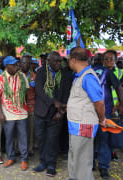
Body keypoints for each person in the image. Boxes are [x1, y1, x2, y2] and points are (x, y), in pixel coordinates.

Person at [67, 47, 107, 180]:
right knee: (74, 156)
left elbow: (99, 103)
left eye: (68, 60)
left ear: (73, 60)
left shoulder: (88, 77)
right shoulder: (79, 76)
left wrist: (102, 119)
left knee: (83, 160)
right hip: (76, 125)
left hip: (83, 125)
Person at [0, 56, 29, 171]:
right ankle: (11, 157)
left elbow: (27, 92)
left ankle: (24, 159)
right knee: (9, 137)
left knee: (23, 136)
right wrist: (0, 113)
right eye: (13, 65)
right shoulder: (0, 78)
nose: (16, 66)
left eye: (17, 64)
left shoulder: (22, 76)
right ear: (7, 66)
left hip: (22, 112)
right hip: (7, 113)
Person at [32, 51, 65, 177]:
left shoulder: (65, 74)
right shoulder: (40, 72)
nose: (58, 63)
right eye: (56, 61)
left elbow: (66, 93)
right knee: (41, 139)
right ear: (48, 61)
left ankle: (51, 164)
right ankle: (42, 162)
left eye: (59, 61)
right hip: (41, 112)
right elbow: (39, 91)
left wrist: (61, 111)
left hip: (57, 113)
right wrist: (53, 102)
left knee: (52, 140)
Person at [94, 50, 123, 179]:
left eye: (111, 59)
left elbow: (119, 88)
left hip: (107, 112)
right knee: (93, 139)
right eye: (106, 59)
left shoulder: (111, 73)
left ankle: (103, 167)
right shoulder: (93, 71)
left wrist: (121, 104)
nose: (108, 61)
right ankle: (91, 163)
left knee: (104, 140)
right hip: (90, 113)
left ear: (115, 60)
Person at [20, 54, 36, 157]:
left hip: (31, 106)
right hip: (20, 106)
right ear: (21, 63)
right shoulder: (17, 75)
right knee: (20, 129)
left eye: (28, 63)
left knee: (30, 129)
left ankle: (30, 149)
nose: (26, 64)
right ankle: (18, 148)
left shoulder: (34, 75)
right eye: (24, 62)